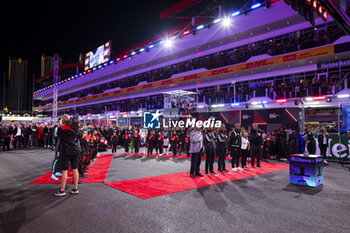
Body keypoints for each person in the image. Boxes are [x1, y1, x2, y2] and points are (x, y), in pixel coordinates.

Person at [54, 114, 81, 197]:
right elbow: (80, 135)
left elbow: (58, 136)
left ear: (63, 121)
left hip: (65, 151)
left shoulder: (60, 129)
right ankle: (75, 188)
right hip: (75, 151)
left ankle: (62, 190)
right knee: (75, 169)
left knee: (64, 171)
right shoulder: (75, 129)